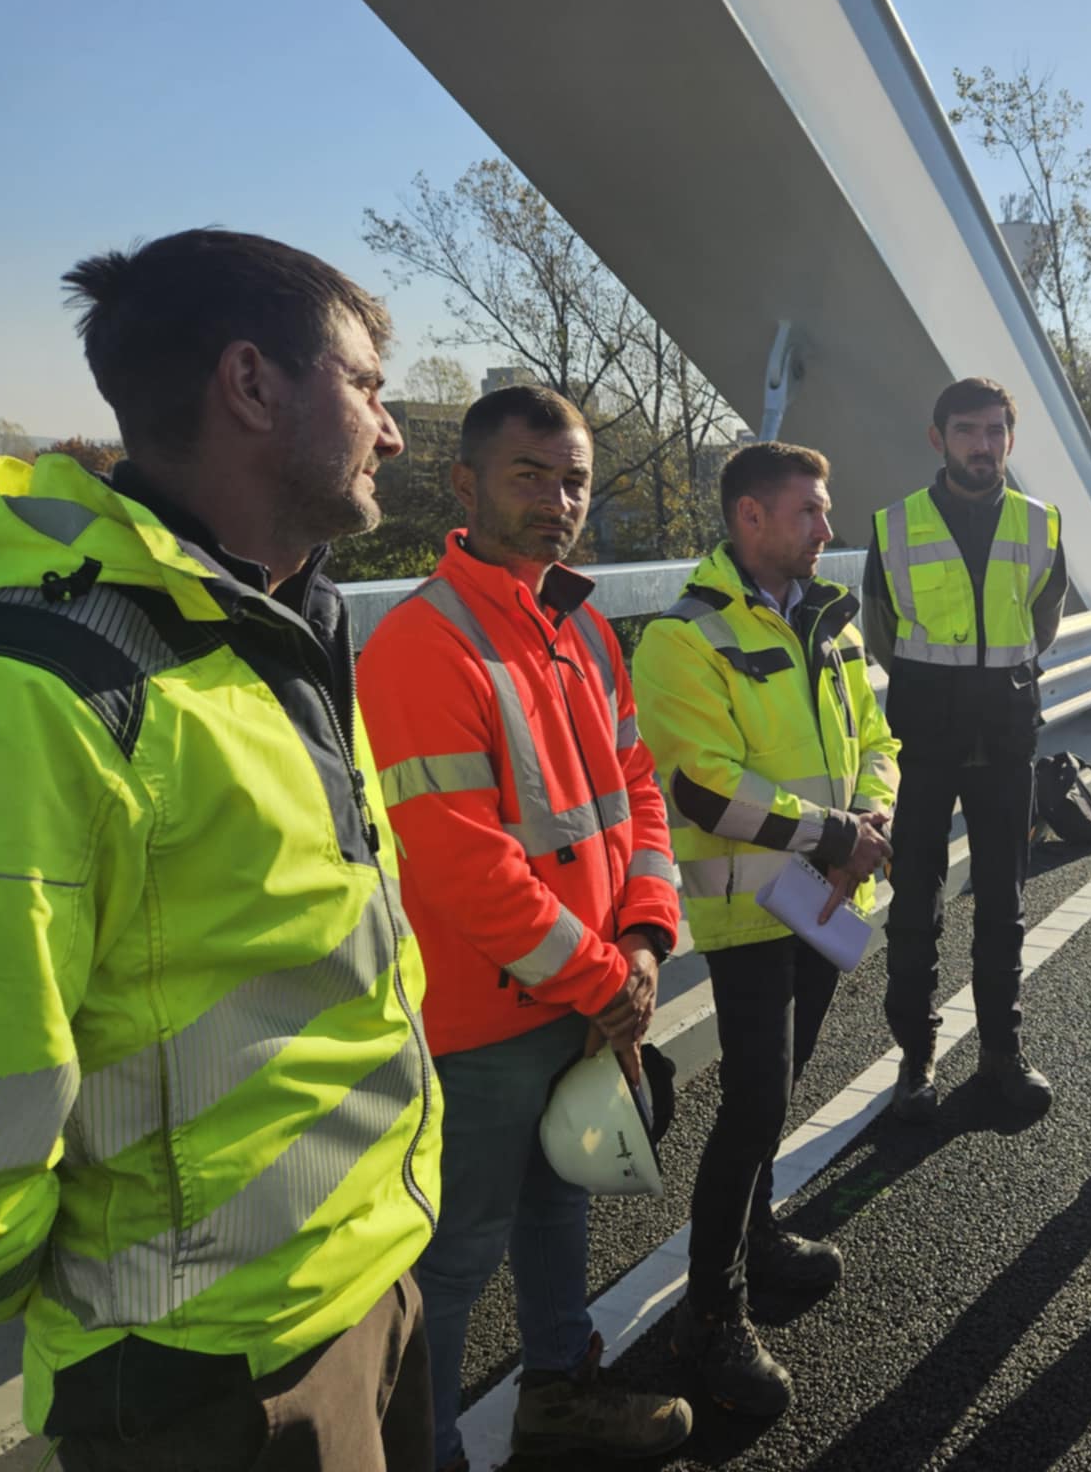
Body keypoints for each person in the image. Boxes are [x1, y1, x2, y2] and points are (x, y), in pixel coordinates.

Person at [0, 229, 441, 1469]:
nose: (393, 433)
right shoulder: (36, 682)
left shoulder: (269, 623)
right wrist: (131, 1318)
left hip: (362, 1281)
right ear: (252, 383)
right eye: (369, 387)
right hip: (204, 1372)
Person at [356, 385, 693, 1471]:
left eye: (575, 481)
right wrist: (605, 977)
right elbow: (457, 861)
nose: (559, 501)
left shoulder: (580, 625)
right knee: (454, 1258)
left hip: (588, 989)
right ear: (464, 485)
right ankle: (430, 1453)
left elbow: (636, 790)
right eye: (529, 476)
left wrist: (641, 939)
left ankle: (559, 1389)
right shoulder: (420, 644)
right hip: (486, 1018)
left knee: (559, 1207)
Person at [632, 442, 900, 1417]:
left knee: (781, 1084)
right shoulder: (681, 639)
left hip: (827, 898)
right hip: (750, 906)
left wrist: (869, 824)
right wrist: (834, 833)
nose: (828, 530)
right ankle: (709, 1313)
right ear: (749, 518)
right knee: (749, 1103)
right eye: (810, 513)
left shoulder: (830, 618)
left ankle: (757, 1234)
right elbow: (701, 781)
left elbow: (877, 738)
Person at [865, 378, 1068, 1120]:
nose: (982, 445)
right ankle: (914, 1062)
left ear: (1009, 439)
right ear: (938, 438)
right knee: (914, 905)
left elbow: (1043, 620)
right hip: (924, 739)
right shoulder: (894, 526)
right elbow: (882, 629)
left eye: (994, 431)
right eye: (966, 431)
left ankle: (1000, 1056)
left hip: (1008, 738)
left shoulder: (1042, 523)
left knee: (1003, 907)